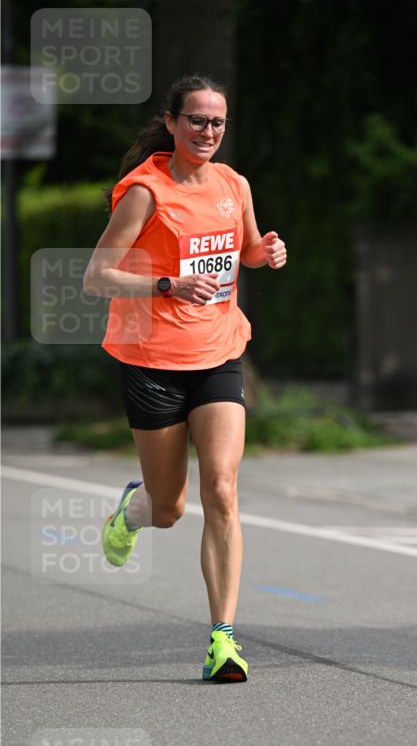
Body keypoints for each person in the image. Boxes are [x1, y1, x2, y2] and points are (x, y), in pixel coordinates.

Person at [83, 74, 286, 683]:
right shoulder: (146, 191)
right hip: (152, 358)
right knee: (168, 506)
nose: (208, 132)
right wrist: (167, 283)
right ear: (171, 123)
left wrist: (266, 251)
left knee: (221, 489)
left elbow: (244, 250)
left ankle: (222, 639)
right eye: (196, 120)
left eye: (217, 122)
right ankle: (131, 514)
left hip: (219, 351)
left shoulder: (234, 184)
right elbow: (97, 276)